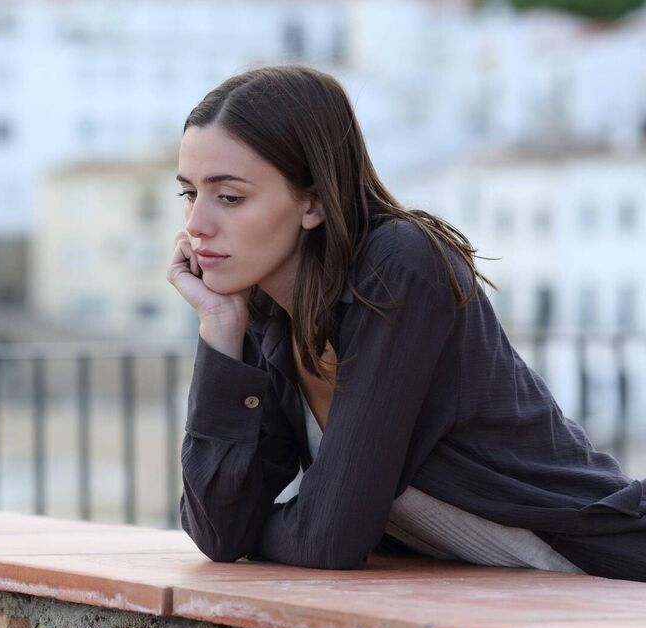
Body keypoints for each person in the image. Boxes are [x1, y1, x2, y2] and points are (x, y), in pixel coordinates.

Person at [167, 64, 646, 582]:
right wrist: (219, 326)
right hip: (519, 590)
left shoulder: (398, 265)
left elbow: (329, 537)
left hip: (612, 566)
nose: (196, 225)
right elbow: (219, 533)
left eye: (229, 197)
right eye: (189, 194)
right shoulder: (267, 315)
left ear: (314, 201)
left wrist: (264, 531)